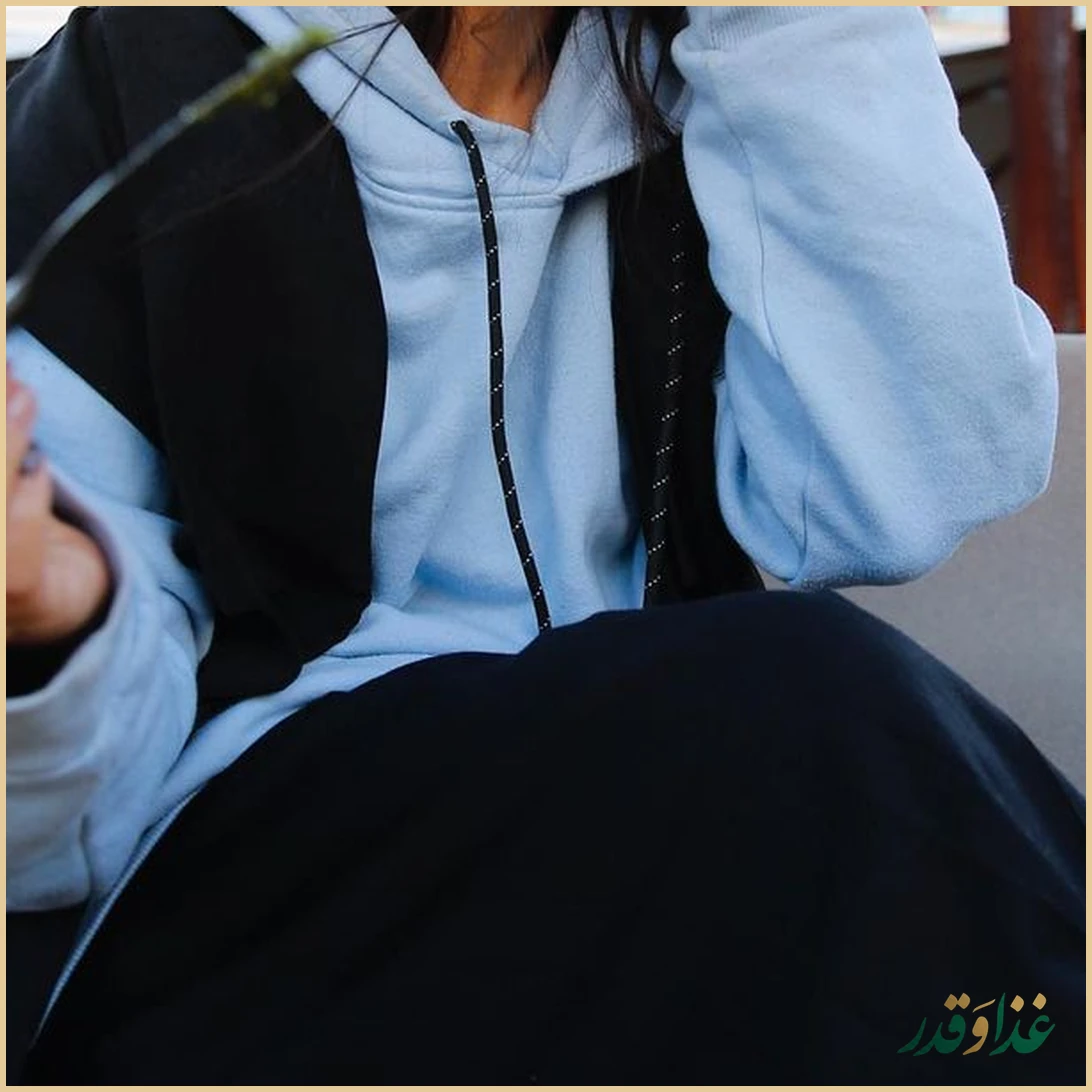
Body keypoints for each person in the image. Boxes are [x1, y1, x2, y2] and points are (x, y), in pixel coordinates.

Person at [6, 5, 1084, 1084]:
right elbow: (52, 826)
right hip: (249, 925)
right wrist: (58, 604)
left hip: (652, 867)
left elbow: (912, 487)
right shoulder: (149, 84)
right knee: (807, 701)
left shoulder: (712, 74)